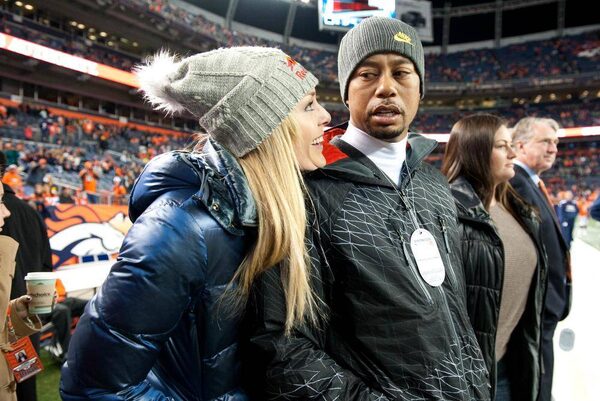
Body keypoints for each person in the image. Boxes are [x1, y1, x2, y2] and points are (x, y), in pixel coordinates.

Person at [60, 46, 331, 400]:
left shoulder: (278, 208)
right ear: (265, 129)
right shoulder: (177, 230)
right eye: (309, 106)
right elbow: (93, 387)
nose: (326, 116)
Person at [246, 17, 490, 400]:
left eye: (402, 73)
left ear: (420, 88)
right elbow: (283, 348)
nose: (386, 87)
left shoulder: (434, 183)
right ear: (346, 92)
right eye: (367, 74)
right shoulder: (305, 191)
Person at [442, 114, 547, 401]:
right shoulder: (447, 213)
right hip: (470, 379)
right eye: (502, 146)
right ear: (475, 151)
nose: (513, 153)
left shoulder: (516, 207)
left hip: (510, 366)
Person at [510, 116, 570, 401]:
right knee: (537, 383)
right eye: (546, 141)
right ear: (521, 146)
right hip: (537, 306)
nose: (553, 148)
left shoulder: (530, 182)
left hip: (545, 304)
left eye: (555, 142)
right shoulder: (516, 184)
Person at [0, 151, 52, 401]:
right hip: (28, 316)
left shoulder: (9, 213)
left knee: (7, 385)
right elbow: (47, 266)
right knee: (26, 383)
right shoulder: (32, 213)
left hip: (8, 317)